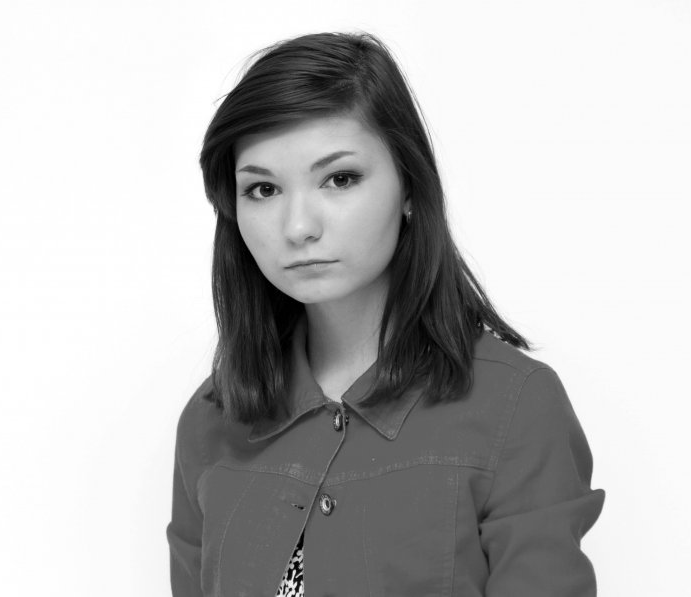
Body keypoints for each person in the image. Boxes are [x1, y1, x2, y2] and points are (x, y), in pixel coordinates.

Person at [166, 31, 605, 596]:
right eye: (263, 189)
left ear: (409, 187)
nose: (298, 227)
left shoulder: (514, 406)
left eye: (340, 179)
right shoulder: (211, 420)